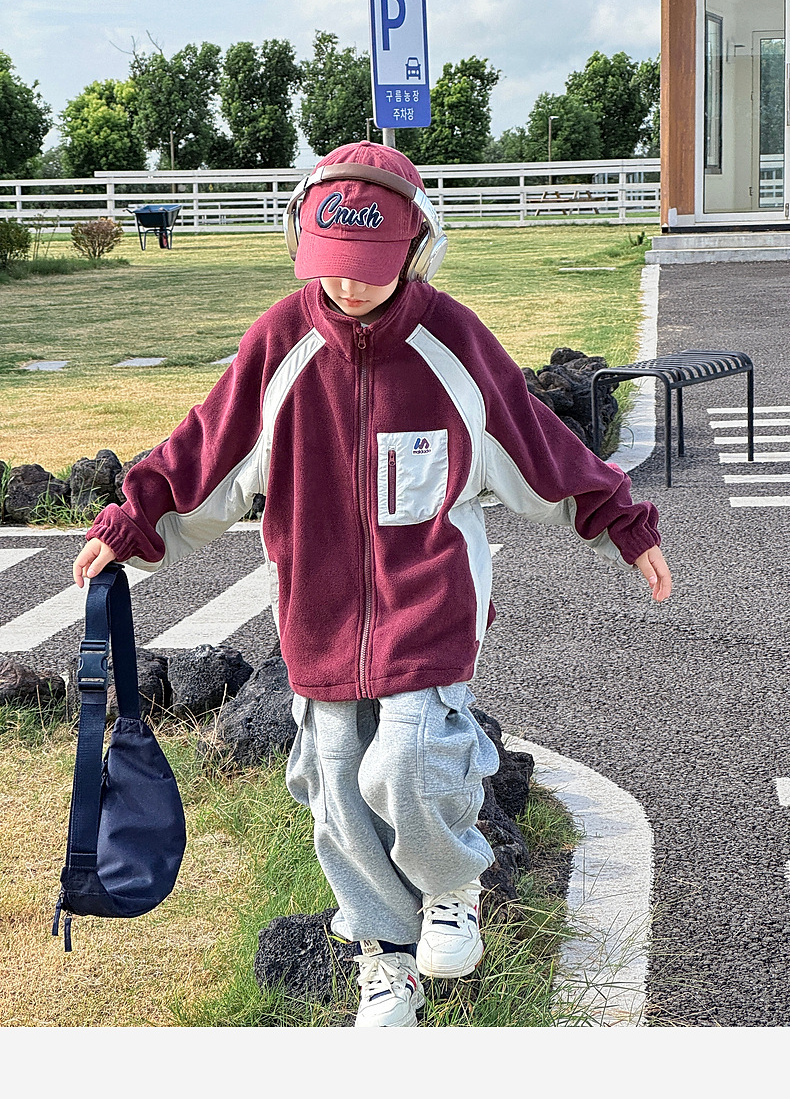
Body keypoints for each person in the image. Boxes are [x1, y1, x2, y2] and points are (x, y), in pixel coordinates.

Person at [72, 140, 672, 1028]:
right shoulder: (280, 342)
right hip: (316, 609)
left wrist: (621, 520)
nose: (348, 285)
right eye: (331, 262)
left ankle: (452, 888)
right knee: (336, 783)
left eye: (371, 264)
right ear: (299, 241)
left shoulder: (453, 342)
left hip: (431, 602)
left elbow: (535, 441)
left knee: (410, 758)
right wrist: (131, 523)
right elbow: (208, 447)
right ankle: (386, 960)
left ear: (419, 248)